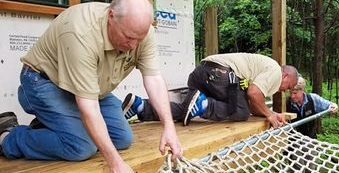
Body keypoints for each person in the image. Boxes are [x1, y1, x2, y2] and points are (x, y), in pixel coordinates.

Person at [0, 0, 182, 173]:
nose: (133, 46)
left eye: (139, 39)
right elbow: (88, 107)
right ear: (111, 17)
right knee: (81, 146)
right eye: (129, 38)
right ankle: (8, 136)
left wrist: (169, 127)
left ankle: (54, 125)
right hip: (43, 83)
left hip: (90, 89)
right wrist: (116, 165)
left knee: (122, 138)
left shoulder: (140, 32)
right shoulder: (81, 33)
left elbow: (153, 79)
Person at [122, 53, 299, 128]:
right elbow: (254, 93)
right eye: (288, 87)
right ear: (285, 76)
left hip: (201, 74)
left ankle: (140, 107)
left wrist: (269, 112)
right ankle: (204, 103)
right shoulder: (275, 70)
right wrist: (269, 115)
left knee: (187, 111)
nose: (284, 91)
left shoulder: (261, 66)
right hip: (220, 75)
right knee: (240, 111)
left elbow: (254, 104)